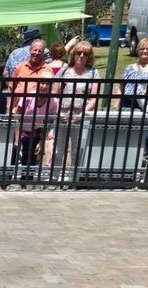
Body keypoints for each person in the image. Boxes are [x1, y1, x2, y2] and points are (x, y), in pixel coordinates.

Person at [52, 41, 100, 182]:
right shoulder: (64, 71)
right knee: (58, 150)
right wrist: (59, 112)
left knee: (76, 151)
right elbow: (55, 93)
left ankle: (74, 180)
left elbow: (94, 98)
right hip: (62, 115)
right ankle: (53, 179)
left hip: (80, 117)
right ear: (73, 54)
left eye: (85, 54)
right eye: (79, 53)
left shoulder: (93, 73)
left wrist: (81, 114)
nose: (81, 56)